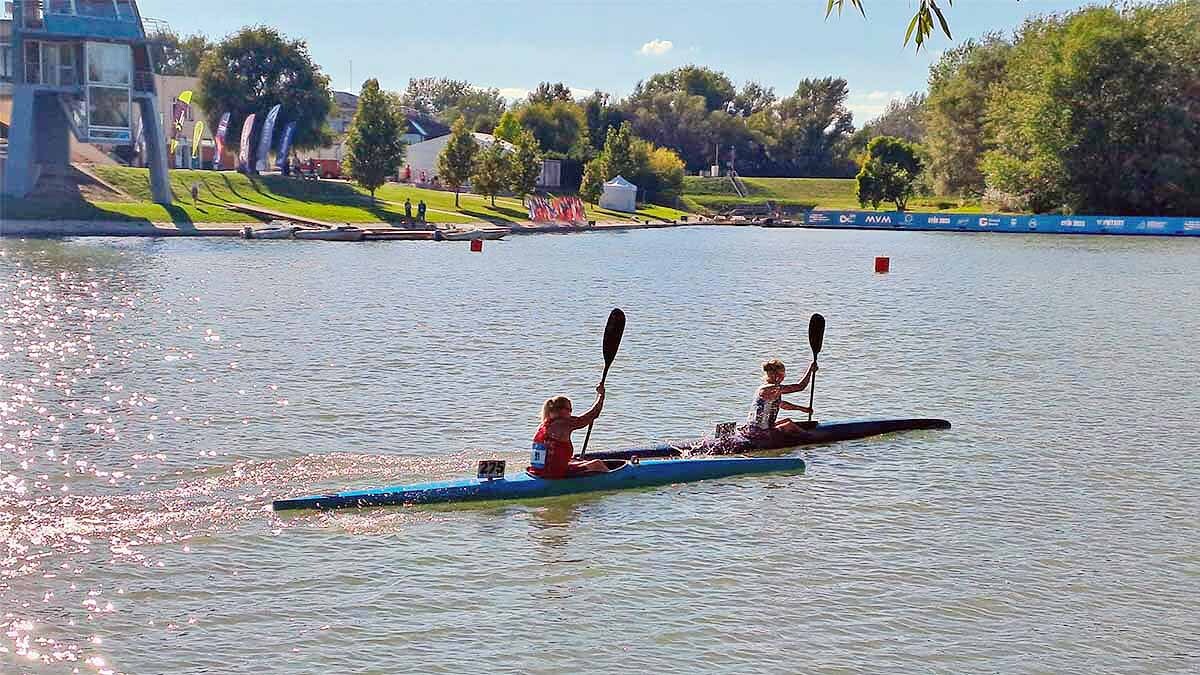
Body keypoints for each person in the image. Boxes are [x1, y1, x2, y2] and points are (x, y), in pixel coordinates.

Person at [528, 385, 610, 479]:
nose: (570, 413)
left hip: (537, 471)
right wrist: (601, 396)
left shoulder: (543, 425)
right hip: (553, 474)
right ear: (562, 410)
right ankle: (614, 482)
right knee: (597, 464)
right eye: (570, 410)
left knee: (575, 460)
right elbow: (592, 415)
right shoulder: (563, 423)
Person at [745, 359, 818, 436]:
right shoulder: (770, 388)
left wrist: (803, 409)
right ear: (777, 375)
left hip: (757, 427)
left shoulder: (768, 388)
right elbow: (800, 387)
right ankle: (810, 437)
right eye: (783, 374)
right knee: (789, 424)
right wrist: (810, 370)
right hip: (760, 431)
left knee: (787, 421)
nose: (784, 377)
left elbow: (782, 404)